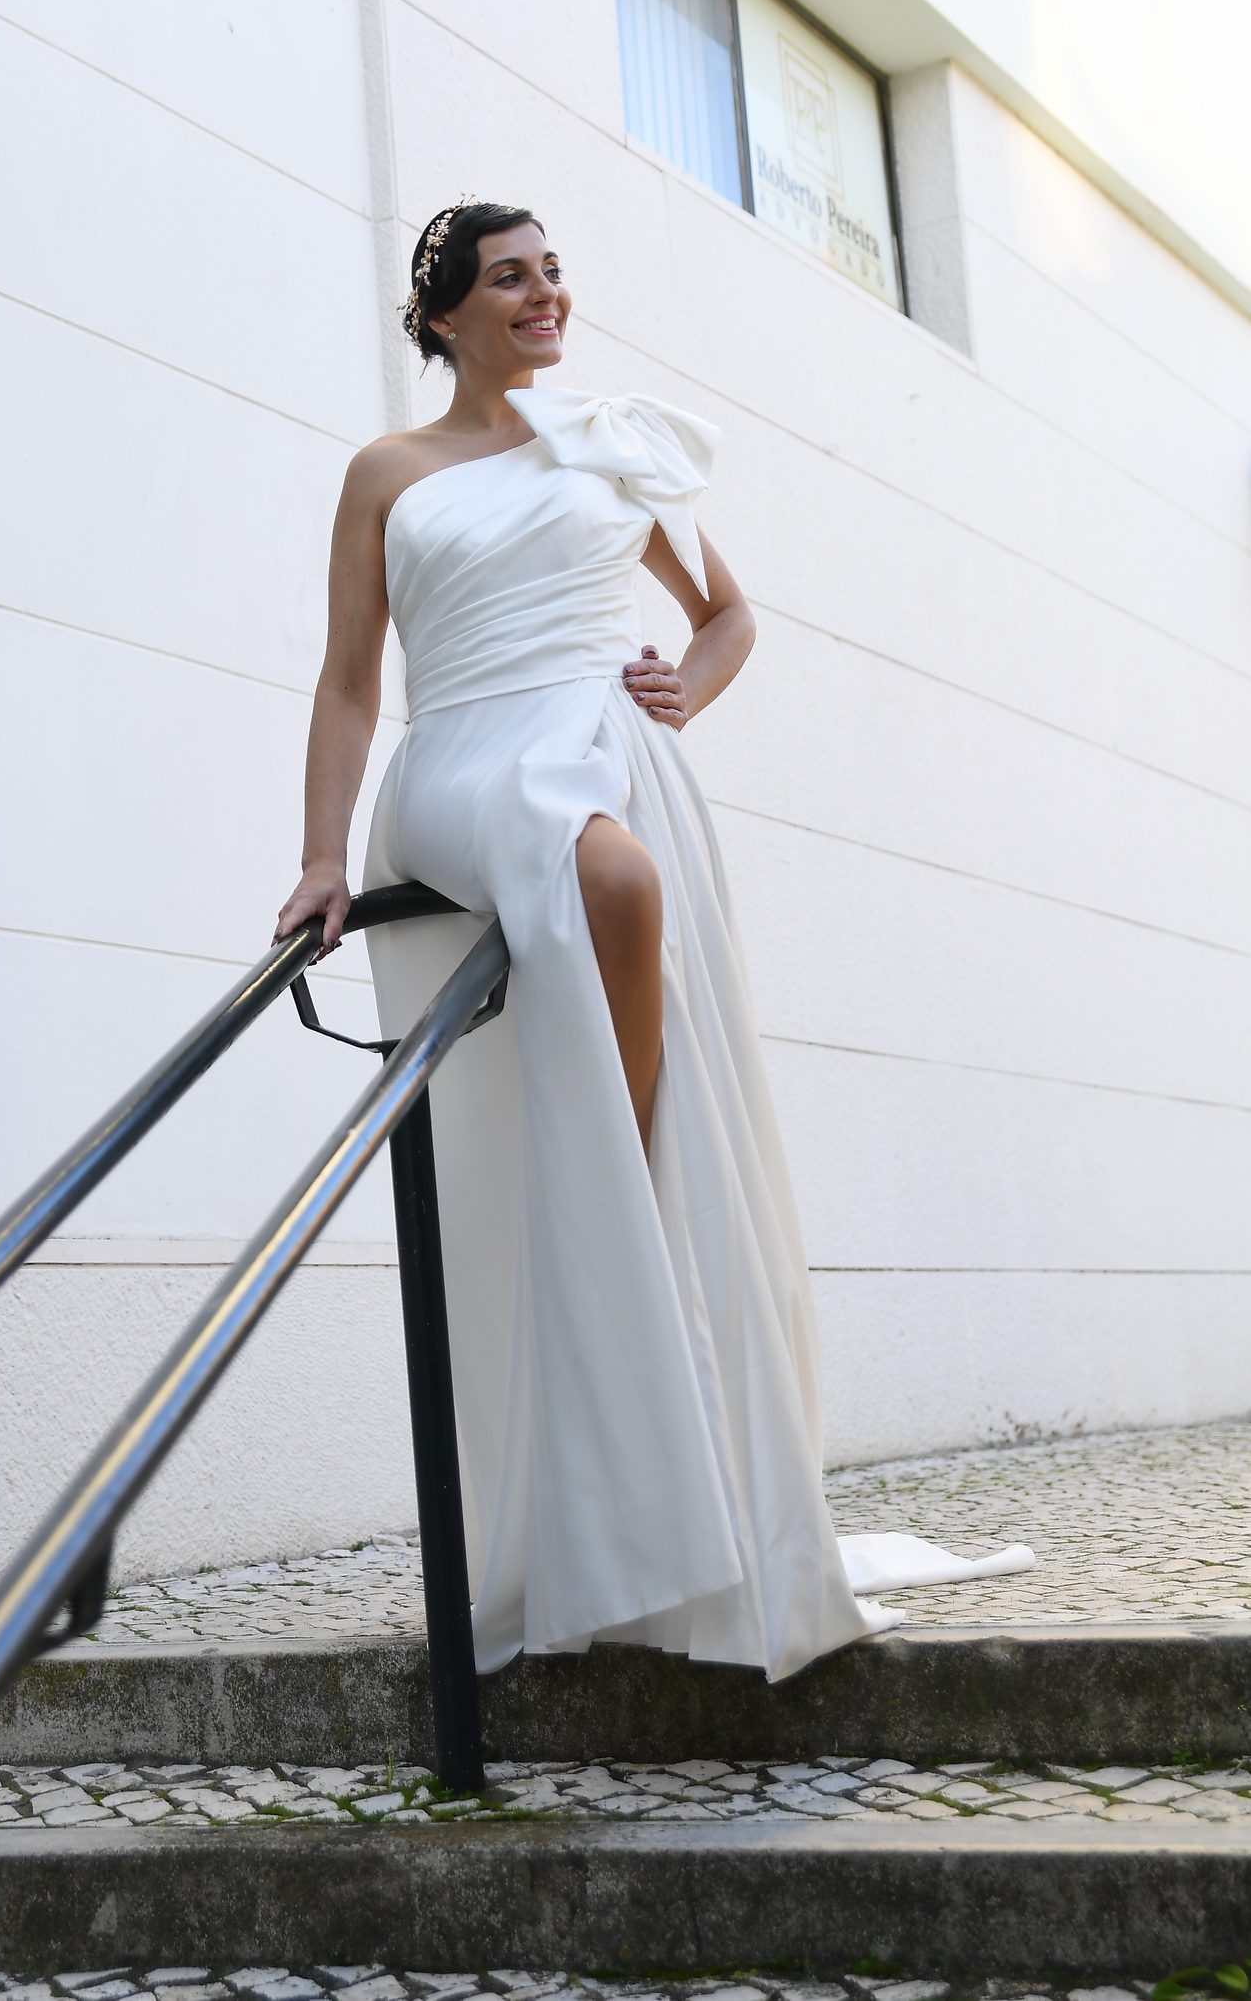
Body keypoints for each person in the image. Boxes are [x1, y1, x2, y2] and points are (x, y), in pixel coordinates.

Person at [276, 200, 1031, 1681]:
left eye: (554, 271)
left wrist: (686, 684)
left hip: (599, 740)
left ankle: (625, 1179)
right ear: (444, 315)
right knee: (610, 882)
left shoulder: (612, 442)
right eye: (510, 279)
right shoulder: (388, 470)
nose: (544, 295)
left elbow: (729, 616)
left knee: (619, 878)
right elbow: (351, 679)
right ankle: (611, 1172)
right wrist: (318, 855)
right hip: (463, 754)